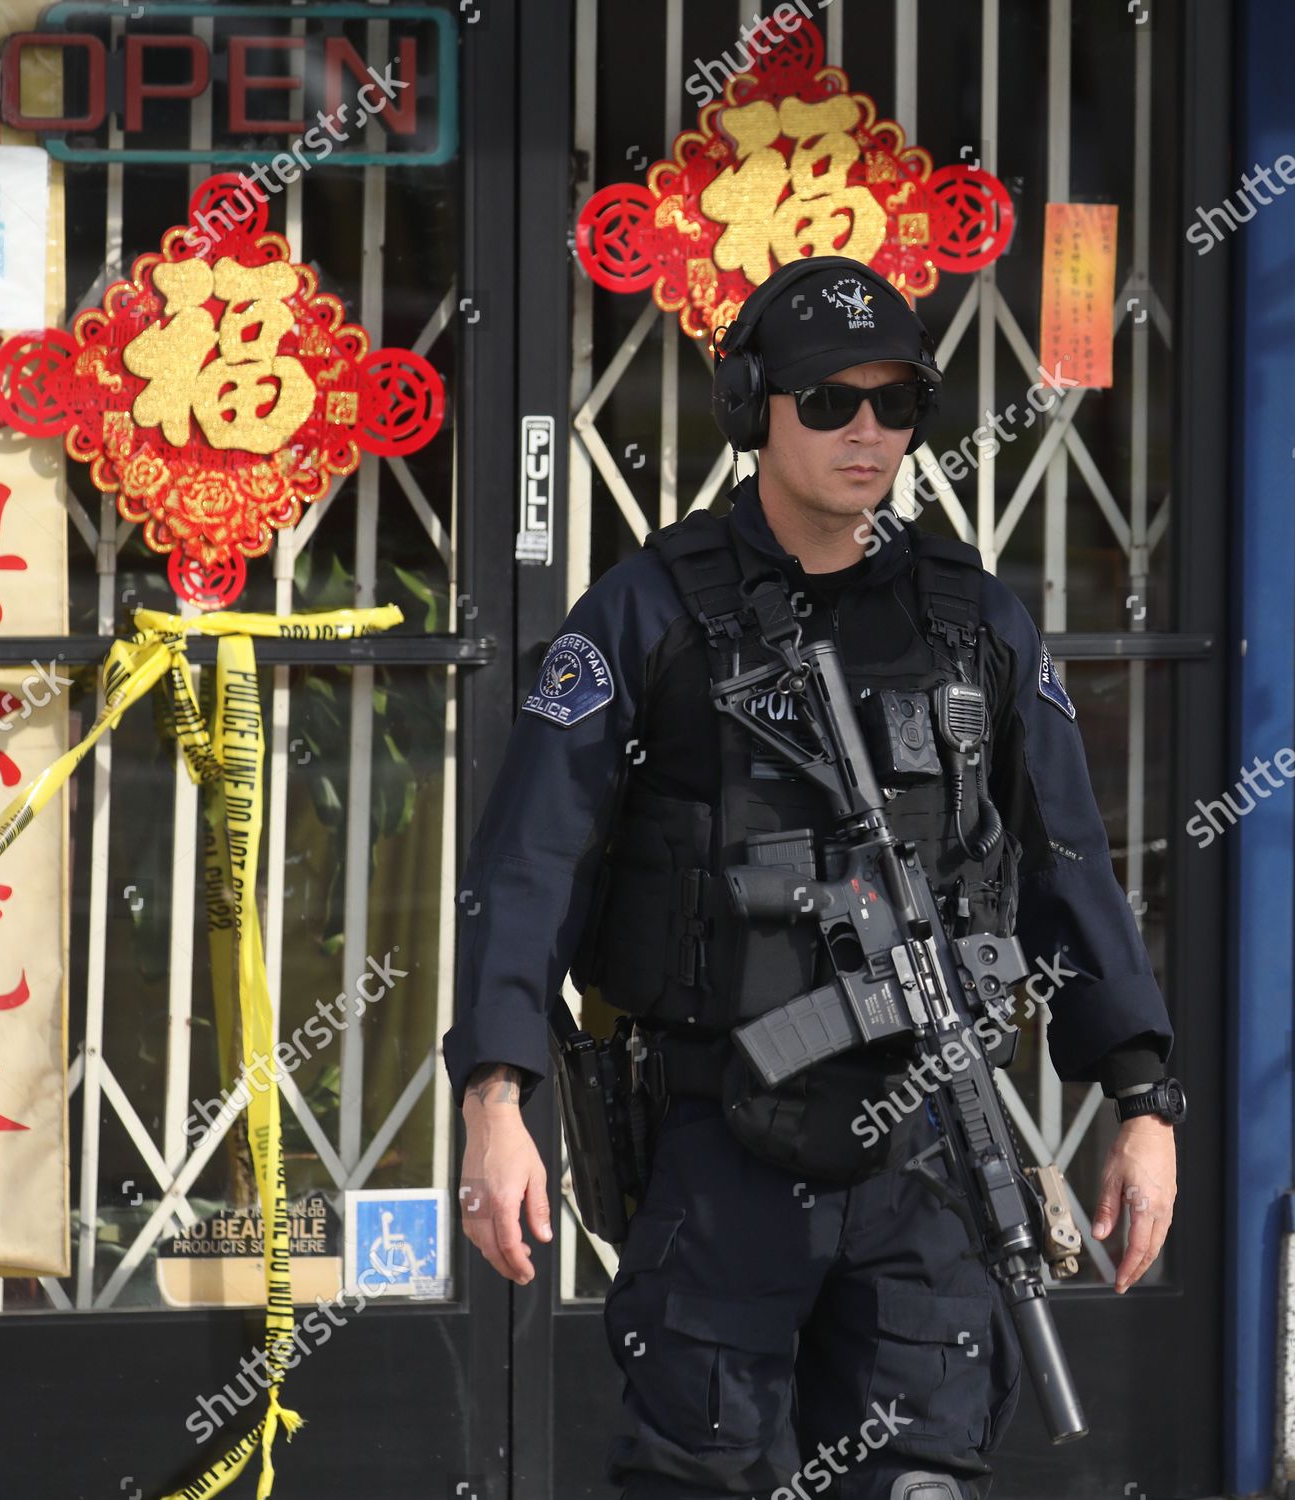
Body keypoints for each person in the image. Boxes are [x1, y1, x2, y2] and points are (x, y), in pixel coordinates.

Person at [443, 256, 1183, 1500]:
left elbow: (1069, 871)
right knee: (703, 1470)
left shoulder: (974, 621)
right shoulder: (645, 614)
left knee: (922, 1475)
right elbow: (531, 864)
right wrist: (493, 1098)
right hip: (717, 1137)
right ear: (750, 409)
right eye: (829, 401)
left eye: (896, 404)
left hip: (932, 1145)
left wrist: (1143, 1098)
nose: (867, 433)